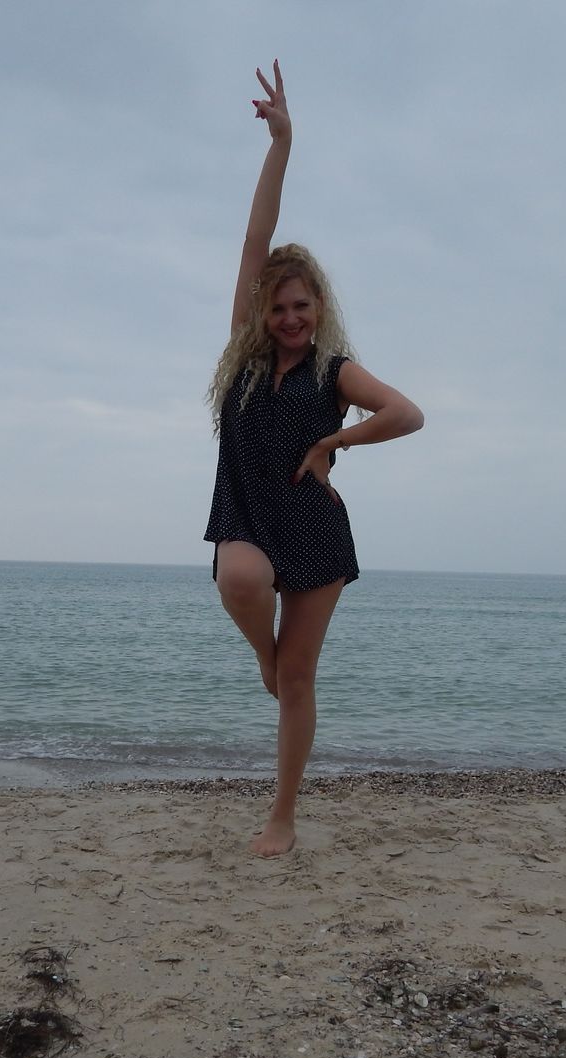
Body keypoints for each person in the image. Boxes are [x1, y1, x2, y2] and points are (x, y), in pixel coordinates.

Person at [203, 60, 425, 858]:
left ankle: (283, 818)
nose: (290, 317)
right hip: (246, 514)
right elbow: (254, 238)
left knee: (298, 683)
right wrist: (282, 145)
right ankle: (265, 661)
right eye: (279, 306)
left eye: (302, 305)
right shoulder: (245, 352)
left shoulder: (335, 371)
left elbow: (406, 413)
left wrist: (335, 442)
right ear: (262, 310)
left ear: (319, 306)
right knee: (240, 580)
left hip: (315, 529)